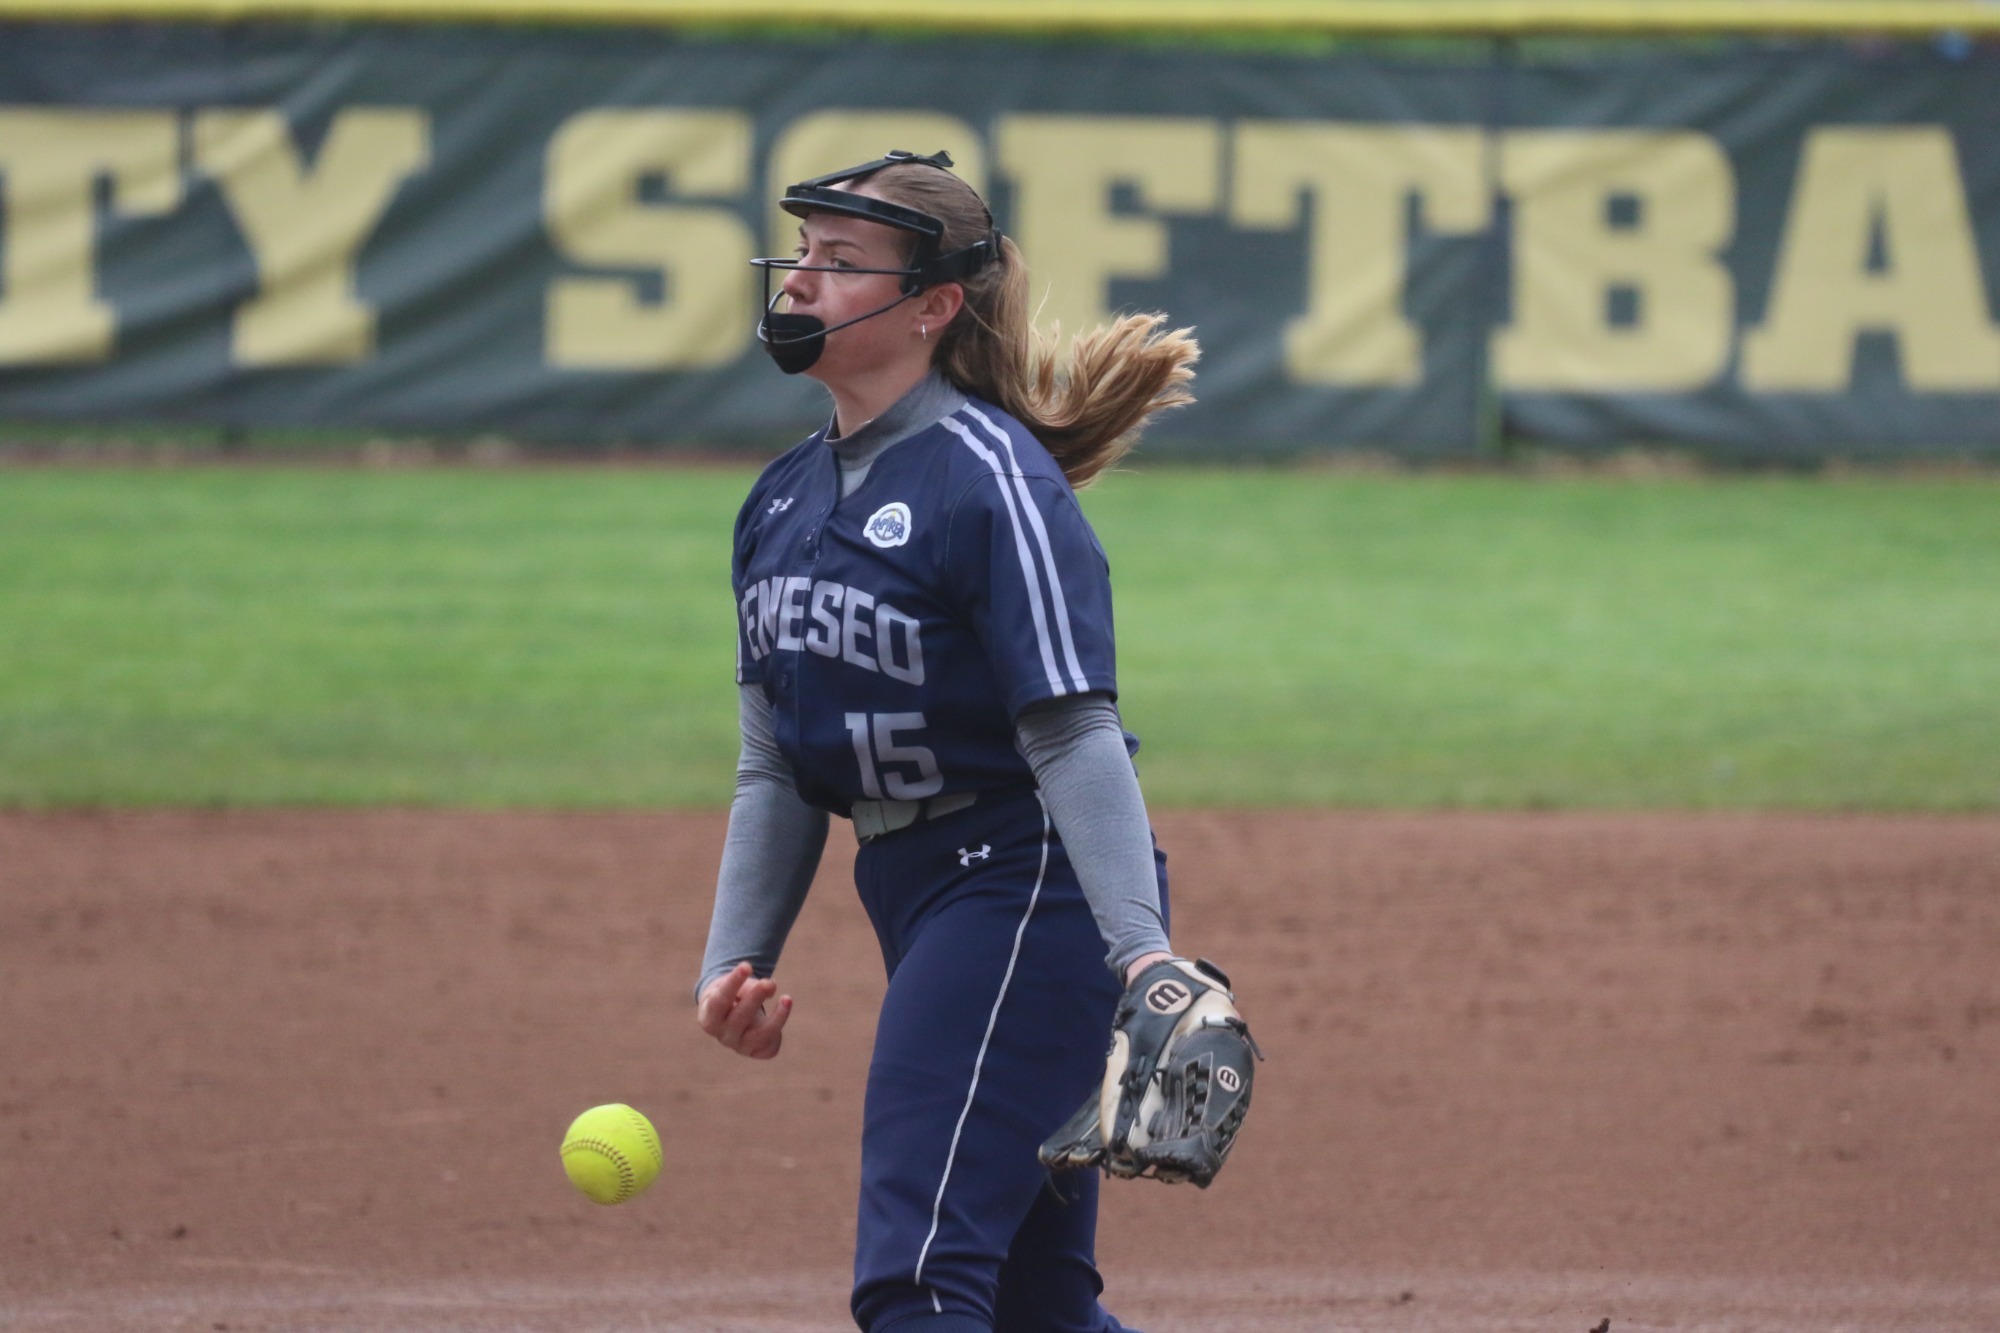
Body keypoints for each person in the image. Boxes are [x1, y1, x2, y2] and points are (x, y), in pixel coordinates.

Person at [694, 149, 1225, 1333]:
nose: (800, 284)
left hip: (1029, 896)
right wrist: (732, 956)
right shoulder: (778, 501)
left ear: (932, 304)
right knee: (1038, 1308)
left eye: (840, 264)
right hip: (917, 890)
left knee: (918, 1276)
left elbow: (1076, 723)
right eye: (801, 258)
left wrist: (1141, 956)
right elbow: (775, 760)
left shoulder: (992, 480)